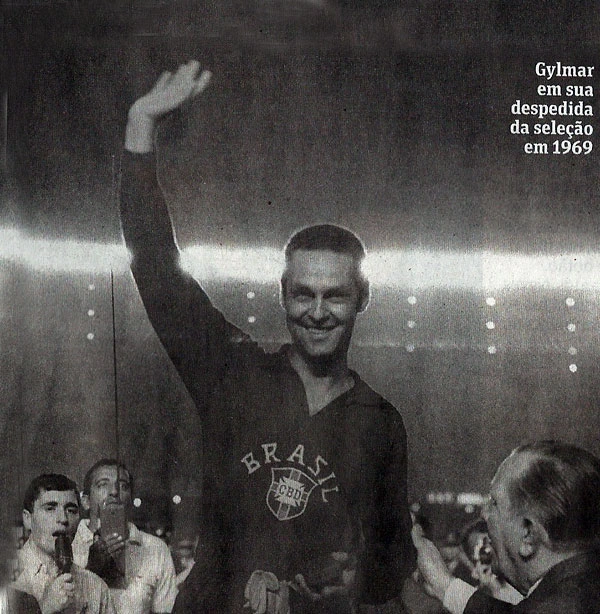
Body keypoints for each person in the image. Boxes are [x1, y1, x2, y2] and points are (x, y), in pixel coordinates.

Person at [119, 60, 415, 613]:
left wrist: (314, 593)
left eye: (336, 296)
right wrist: (141, 125)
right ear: (283, 294)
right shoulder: (235, 373)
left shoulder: (380, 423)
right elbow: (158, 271)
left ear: (362, 299)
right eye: (304, 294)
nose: (318, 313)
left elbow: (384, 577)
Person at [412, 441, 600, 614]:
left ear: (528, 535)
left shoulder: (560, 606)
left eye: (494, 503)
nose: (483, 514)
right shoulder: (578, 590)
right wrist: (443, 584)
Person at [71, 459, 178, 614]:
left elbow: (166, 610)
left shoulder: (155, 548)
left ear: (130, 498)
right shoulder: (70, 546)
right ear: (86, 501)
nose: (114, 491)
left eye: (123, 486)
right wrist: (89, 573)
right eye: (102, 484)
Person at [11, 473, 115, 613]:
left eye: (71, 510)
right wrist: (44, 609)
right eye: (50, 508)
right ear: (28, 519)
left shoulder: (96, 587)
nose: (63, 519)